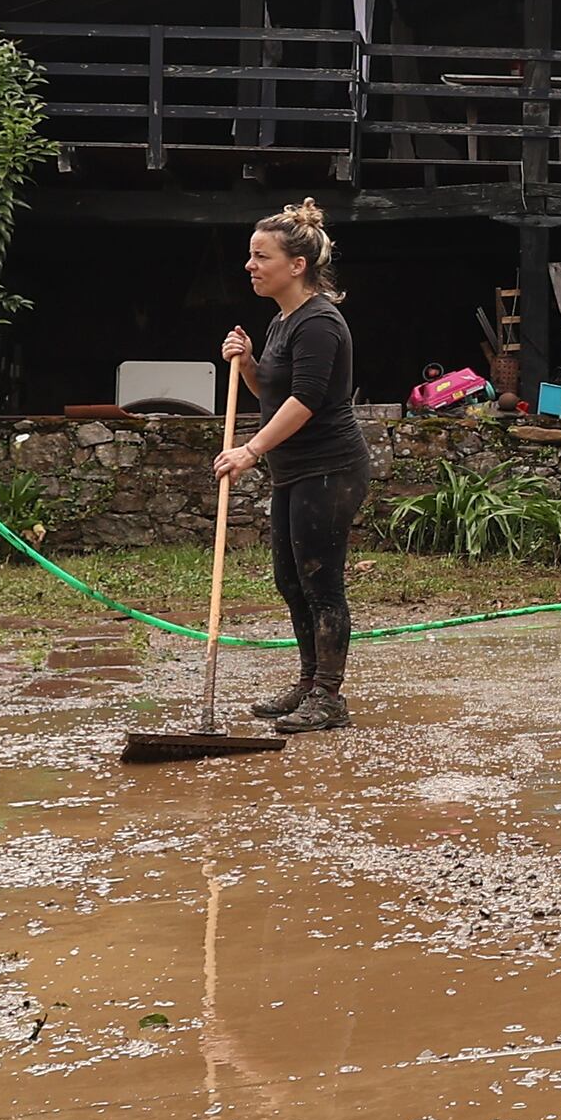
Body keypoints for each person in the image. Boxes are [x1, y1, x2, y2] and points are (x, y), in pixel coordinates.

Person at [215, 202, 365, 736]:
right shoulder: (283, 320)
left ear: (296, 264)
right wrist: (251, 363)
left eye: (262, 256)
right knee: (291, 579)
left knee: (322, 582)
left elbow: (304, 402)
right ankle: (308, 681)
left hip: (330, 468)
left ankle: (328, 696)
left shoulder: (320, 322)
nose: (250, 266)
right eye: (250, 256)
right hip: (295, 470)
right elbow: (273, 393)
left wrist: (249, 451)